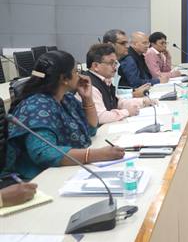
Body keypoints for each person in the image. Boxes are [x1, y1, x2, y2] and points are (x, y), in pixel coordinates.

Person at [6, 51, 124, 180]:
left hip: (64, 170)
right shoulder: (36, 107)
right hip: (38, 178)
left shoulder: (65, 98)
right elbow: (44, 153)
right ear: (64, 79)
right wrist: (97, 155)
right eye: (76, 71)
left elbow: (91, 128)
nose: (80, 76)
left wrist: (87, 98)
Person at [84, 44, 154, 125]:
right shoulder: (89, 85)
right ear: (96, 66)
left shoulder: (104, 80)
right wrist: (127, 112)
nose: (115, 67)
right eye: (111, 63)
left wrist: (143, 102)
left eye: (115, 63)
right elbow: (100, 117)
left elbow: (117, 102)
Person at [102, 29, 150, 97]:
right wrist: (133, 94)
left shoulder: (116, 63)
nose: (127, 46)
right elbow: (108, 96)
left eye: (127, 43)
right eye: (123, 43)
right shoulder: (102, 65)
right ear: (110, 45)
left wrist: (133, 91)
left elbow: (115, 91)